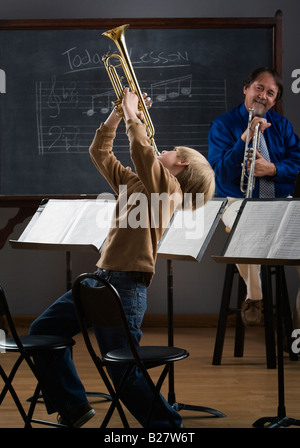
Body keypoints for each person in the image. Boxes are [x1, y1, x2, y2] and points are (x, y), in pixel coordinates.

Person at [29, 87, 215, 428]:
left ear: (182, 165)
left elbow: (144, 153)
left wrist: (133, 115)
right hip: (99, 280)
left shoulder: (169, 192)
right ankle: (73, 406)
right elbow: (99, 153)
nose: (166, 149)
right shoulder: (136, 183)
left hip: (127, 287)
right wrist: (116, 114)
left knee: (121, 368)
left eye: (173, 151)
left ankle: (169, 428)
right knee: (44, 330)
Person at [208, 67, 300, 326]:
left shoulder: (282, 126)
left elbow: (298, 160)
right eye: (259, 88)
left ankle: (296, 334)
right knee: (244, 224)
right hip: (234, 202)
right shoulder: (223, 125)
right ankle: (255, 296)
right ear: (246, 89)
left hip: (280, 203)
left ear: (274, 100)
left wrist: (274, 169)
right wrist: (244, 138)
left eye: (271, 93)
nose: (263, 95)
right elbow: (220, 173)